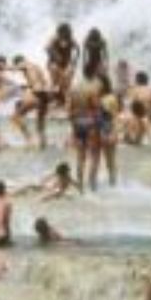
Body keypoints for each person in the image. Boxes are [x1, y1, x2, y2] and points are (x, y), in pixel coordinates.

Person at [68, 62, 106, 193]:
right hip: (90, 122)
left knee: (80, 156)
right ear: (93, 73)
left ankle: (80, 187)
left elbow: (69, 110)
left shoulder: (74, 87)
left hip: (77, 122)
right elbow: (96, 107)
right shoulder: (93, 88)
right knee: (95, 155)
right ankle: (92, 185)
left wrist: (73, 127)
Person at [11, 55, 54, 149]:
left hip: (36, 94)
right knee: (40, 122)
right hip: (46, 95)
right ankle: (43, 143)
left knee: (15, 117)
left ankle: (29, 139)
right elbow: (44, 82)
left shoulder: (24, 64)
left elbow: (14, 68)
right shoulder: (36, 66)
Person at [46, 23, 78, 101]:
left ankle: (65, 96)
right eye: (62, 34)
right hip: (54, 64)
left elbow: (77, 50)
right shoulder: (54, 39)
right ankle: (54, 97)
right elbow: (47, 48)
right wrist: (55, 55)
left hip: (66, 64)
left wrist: (74, 60)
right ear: (59, 33)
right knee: (55, 81)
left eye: (66, 34)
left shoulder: (71, 39)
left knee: (67, 81)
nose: (64, 36)